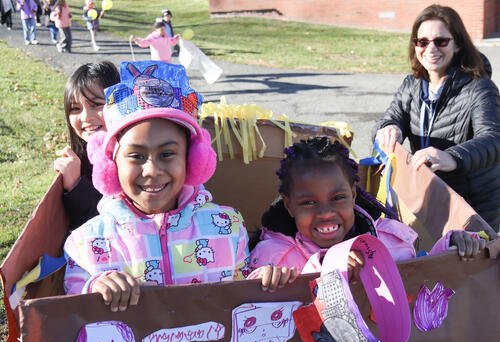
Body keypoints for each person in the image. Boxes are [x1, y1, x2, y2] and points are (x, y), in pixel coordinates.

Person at [63, 61, 252, 312]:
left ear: (193, 160)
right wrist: (94, 289)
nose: (152, 170)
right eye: (136, 156)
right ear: (110, 164)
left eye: (167, 154)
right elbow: (69, 312)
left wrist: (264, 278)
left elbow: (244, 296)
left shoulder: (230, 226)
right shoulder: (83, 243)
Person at [249, 137, 486, 283]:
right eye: (309, 202)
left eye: (338, 197)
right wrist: (265, 281)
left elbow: (419, 282)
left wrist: (452, 245)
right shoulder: (274, 257)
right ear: (288, 204)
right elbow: (245, 301)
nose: (325, 212)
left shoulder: (388, 240)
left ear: (353, 194)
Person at [373, 4, 500, 232]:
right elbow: (391, 118)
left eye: (441, 41)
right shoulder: (412, 85)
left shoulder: (480, 87)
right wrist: (389, 127)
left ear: (458, 44)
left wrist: (452, 157)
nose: (430, 49)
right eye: (422, 42)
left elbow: (494, 139)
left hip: (470, 208)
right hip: (427, 197)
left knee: (460, 267)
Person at [54, 61, 120, 230]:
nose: (85, 117)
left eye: (97, 104)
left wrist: (76, 186)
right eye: (75, 109)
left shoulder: (136, 157)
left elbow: (114, 225)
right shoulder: (79, 163)